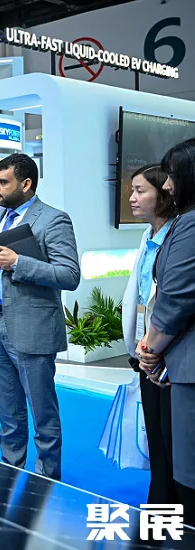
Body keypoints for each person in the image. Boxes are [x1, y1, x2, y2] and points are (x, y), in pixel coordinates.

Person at [0, 153, 80, 480]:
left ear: (26, 183)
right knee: (7, 409)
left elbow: (69, 275)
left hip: (32, 327)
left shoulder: (54, 220)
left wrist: (19, 263)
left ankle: (46, 481)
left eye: (3, 182)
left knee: (42, 413)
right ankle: (10, 468)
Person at [137, 139, 195, 526]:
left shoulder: (189, 225)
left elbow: (175, 298)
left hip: (184, 365)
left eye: (172, 176)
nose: (168, 185)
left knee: (186, 475)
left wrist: (151, 348)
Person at [121, 164, 176, 506]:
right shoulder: (148, 237)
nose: (132, 198)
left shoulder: (178, 238)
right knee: (155, 437)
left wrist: (155, 347)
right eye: (132, 190)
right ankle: (160, 504)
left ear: (166, 193)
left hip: (168, 355)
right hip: (146, 352)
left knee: (172, 443)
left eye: (141, 191)